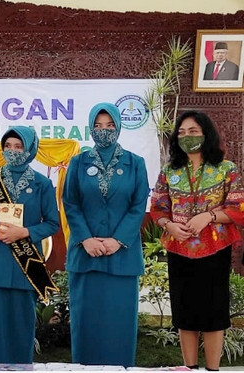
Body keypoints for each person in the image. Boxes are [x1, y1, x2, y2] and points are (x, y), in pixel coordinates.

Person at [150, 111, 244, 371]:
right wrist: (169, 225)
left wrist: (209, 216)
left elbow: (239, 208)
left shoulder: (226, 169)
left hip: (215, 250)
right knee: (185, 312)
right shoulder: (170, 171)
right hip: (179, 248)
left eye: (193, 131)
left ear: (206, 134)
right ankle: (189, 368)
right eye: (181, 132)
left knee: (214, 313)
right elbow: (157, 207)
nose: (186, 137)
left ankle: (212, 369)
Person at [63, 103, 149, 367]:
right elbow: (70, 203)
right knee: (86, 323)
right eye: (98, 126)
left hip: (122, 257)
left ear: (119, 127)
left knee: (118, 324)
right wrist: (86, 239)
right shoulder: (78, 162)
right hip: (85, 255)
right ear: (90, 129)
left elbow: (138, 206)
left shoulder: (135, 163)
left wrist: (117, 240)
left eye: (109, 125)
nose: (104, 131)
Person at [0, 126, 60, 364]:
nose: (12, 151)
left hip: (27, 266)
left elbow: (53, 223)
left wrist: (26, 232)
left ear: (30, 149)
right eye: (7, 146)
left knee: (21, 329)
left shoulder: (41, 183)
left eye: (18, 146)